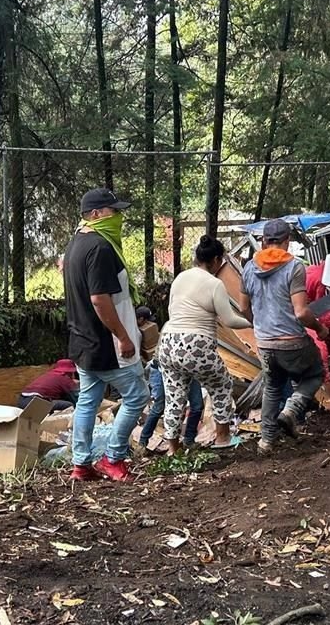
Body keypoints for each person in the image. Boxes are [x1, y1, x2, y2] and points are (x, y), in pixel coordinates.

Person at [65, 187, 149, 482]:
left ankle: (80, 463)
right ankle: (112, 458)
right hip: (107, 344)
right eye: (115, 211)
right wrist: (124, 337)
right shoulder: (100, 247)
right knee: (138, 395)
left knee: (88, 400)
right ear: (97, 214)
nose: (119, 217)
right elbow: (99, 299)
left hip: (82, 341)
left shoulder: (76, 242)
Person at [239, 219, 328, 455]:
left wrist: (258, 324)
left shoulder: (249, 267)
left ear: (263, 241)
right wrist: (320, 329)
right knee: (315, 373)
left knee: (272, 387)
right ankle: (291, 410)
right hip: (292, 341)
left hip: (265, 343)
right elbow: (301, 312)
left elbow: (243, 307)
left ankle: (266, 441)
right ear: (286, 241)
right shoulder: (294, 267)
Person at [158, 236, 252, 454]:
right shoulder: (214, 283)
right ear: (216, 259)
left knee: (174, 396)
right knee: (221, 384)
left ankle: (173, 449)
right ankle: (223, 437)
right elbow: (229, 320)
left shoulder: (180, 278)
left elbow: (173, 311)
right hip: (196, 343)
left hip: (168, 341)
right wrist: (252, 322)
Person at [135, 305, 205, 452]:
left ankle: (189, 440)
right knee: (159, 407)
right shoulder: (172, 327)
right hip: (162, 369)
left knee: (197, 405)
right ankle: (143, 442)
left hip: (186, 369)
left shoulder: (197, 328)